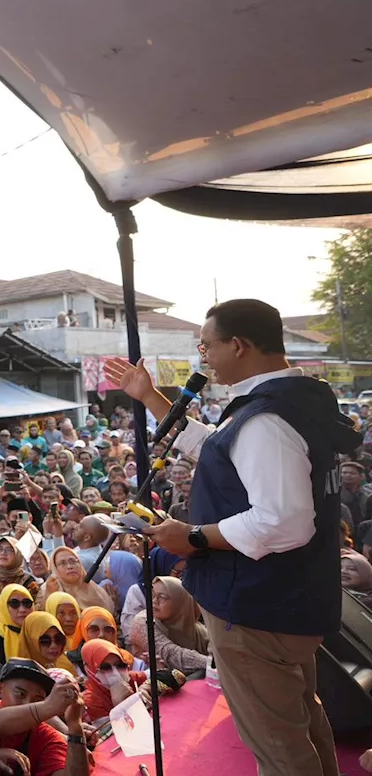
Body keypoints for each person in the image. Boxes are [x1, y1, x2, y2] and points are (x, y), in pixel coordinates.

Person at [108, 299, 361, 776]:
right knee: (300, 723)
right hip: (289, 600)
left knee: (279, 748)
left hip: (256, 608)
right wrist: (151, 398)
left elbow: (284, 522)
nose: (203, 355)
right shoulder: (290, 403)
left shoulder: (266, 419)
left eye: (206, 344)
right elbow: (221, 448)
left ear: (238, 345)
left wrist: (194, 538)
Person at [0, 658, 88, 776]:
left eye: (37, 699)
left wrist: (75, 726)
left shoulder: (47, 736)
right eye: (20, 694)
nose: (27, 704)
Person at [127, 576, 209, 674]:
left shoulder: (198, 631)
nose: (154, 601)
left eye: (162, 597)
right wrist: (211, 663)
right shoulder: (143, 622)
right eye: (153, 595)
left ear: (179, 603)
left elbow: (217, 651)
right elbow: (171, 655)